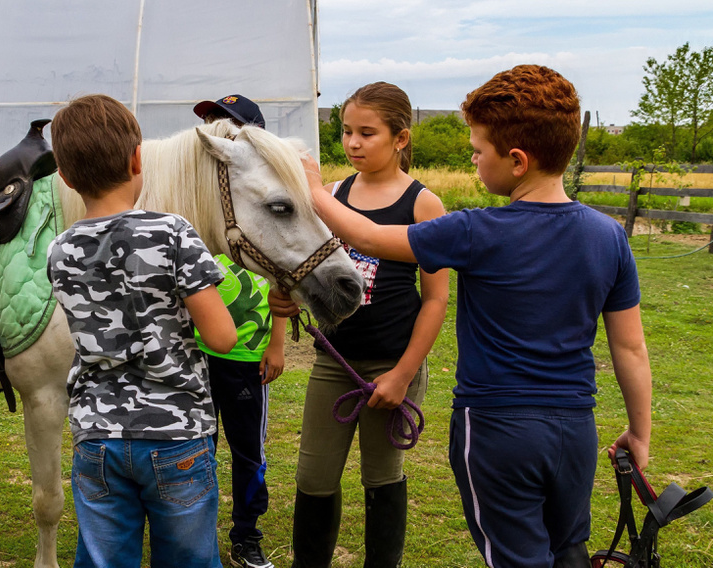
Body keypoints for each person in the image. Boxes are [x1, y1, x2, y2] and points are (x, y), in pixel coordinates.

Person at [276, 65, 653, 568]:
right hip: (574, 430)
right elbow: (630, 347)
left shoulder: (476, 230)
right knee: (568, 551)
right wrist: (640, 432)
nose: (473, 160)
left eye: (478, 151)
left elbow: (368, 239)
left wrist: (313, 189)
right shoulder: (609, 236)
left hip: (498, 430)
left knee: (514, 557)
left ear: (516, 160)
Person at [47, 94, 238, 568]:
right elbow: (222, 338)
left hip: (97, 438)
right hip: (175, 436)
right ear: (138, 159)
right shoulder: (173, 232)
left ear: (66, 178)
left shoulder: (61, 249)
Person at [285, 83, 449, 568]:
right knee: (313, 476)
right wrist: (287, 297)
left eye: (367, 133)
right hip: (334, 364)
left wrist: (402, 374)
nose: (352, 143)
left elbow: (436, 301)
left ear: (400, 139)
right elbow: (309, 272)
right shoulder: (332, 195)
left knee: (382, 475)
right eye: (346, 132)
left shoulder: (424, 205)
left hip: (392, 366)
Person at [192, 95, 285, 568]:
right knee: (198, 449)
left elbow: (283, 284)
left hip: (249, 357)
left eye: (223, 122)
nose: (213, 128)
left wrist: (277, 342)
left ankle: (247, 535)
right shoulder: (193, 209)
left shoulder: (265, 210)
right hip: (197, 355)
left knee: (249, 452)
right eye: (209, 122)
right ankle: (198, 534)